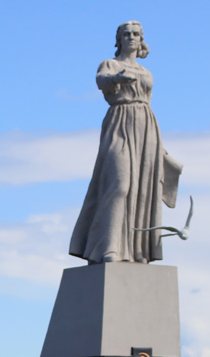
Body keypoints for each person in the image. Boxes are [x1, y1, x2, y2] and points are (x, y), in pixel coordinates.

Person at [69, 20, 182, 265]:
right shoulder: (110, 64)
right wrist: (117, 78)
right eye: (126, 34)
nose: (131, 37)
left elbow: (149, 102)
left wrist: (159, 147)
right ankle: (107, 247)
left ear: (141, 39)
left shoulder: (146, 72)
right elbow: (101, 80)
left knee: (141, 190)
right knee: (118, 185)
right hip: (119, 122)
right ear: (119, 39)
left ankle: (135, 250)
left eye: (136, 34)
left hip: (146, 126)